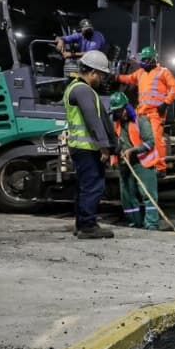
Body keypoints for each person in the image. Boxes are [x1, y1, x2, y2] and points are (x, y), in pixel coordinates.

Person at [63, 50, 117, 239]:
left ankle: (82, 224)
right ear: (93, 72)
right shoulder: (83, 90)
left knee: (84, 187)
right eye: (101, 75)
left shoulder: (75, 88)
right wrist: (103, 145)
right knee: (93, 187)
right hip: (87, 148)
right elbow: (92, 119)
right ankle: (88, 226)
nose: (102, 79)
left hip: (81, 148)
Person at [117, 46, 175, 174]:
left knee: (157, 140)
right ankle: (146, 164)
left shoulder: (163, 72)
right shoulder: (140, 73)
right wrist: (116, 77)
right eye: (143, 60)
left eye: (146, 60)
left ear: (153, 59)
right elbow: (129, 78)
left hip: (155, 113)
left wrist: (165, 104)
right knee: (139, 139)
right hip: (141, 113)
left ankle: (161, 168)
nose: (143, 63)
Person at [110, 92, 161, 230]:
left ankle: (152, 225)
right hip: (125, 165)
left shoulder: (141, 120)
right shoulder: (116, 123)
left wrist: (133, 151)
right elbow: (115, 141)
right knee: (127, 196)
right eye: (116, 111)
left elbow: (150, 142)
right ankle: (134, 223)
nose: (120, 114)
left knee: (148, 195)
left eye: (121, 110)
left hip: (143, 163)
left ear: (127, 107)